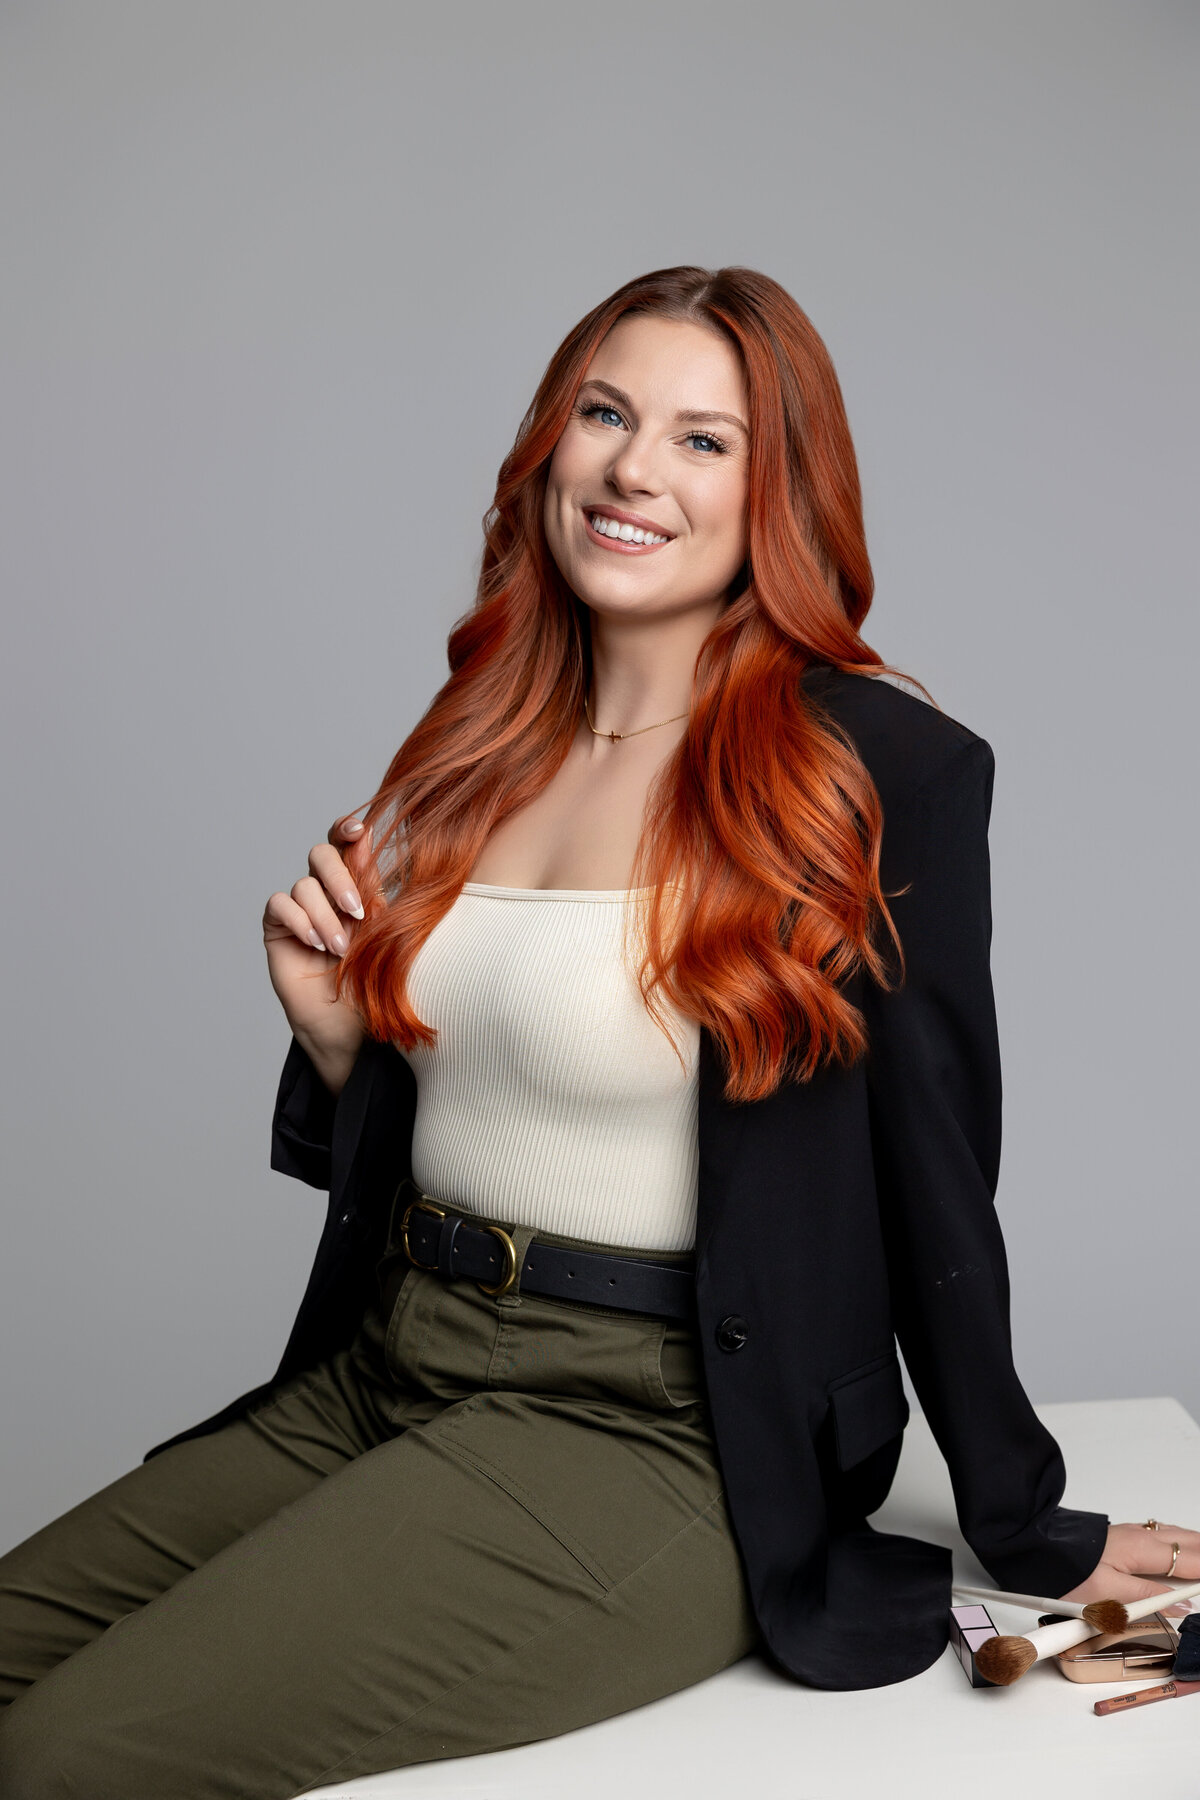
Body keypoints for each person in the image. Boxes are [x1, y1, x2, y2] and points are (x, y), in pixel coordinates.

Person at [0, 265, 1194, 1797]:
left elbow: (937, 1175)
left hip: (658, 1429)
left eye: (706, 440)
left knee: (64, 1760)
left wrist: (1030, 1518)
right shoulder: (474, 740)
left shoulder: (873, 768)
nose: (636, 468)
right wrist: (339, 1046)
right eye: (605, 413)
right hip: (392, 1361)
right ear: (548, 445)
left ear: (779, 493)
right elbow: (478, 1103)